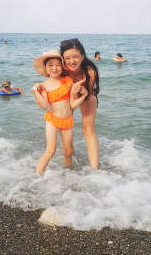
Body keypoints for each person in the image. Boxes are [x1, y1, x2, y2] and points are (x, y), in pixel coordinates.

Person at [32, 49, 87, 173]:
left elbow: (72, 105)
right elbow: (44, 105)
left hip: (67, 120)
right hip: (52, 119)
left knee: (68, 151)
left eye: (58, 65)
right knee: (51, 150)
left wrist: (84, 95)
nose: (54, 68)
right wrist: (35, 91)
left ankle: (66, 175)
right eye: (50, 65)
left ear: (62, 67)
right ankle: (36, 176)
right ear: (46, 69)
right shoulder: (44, 85)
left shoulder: (68, 81)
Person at [60, 39, 100, 169]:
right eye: (67, 58)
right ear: (63, 59)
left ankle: (95, 170)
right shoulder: (61, 70)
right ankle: (68, 158)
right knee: (66, 129)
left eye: (75, 56)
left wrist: (78, 92)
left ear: (82, 56)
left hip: (86, 96)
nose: (72, 61)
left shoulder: (90, 71)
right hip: (67, 97)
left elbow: (85, 96)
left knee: (88, 130)